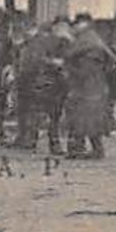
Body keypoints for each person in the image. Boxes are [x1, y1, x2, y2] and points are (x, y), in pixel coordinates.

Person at [63, 13, 116, 159]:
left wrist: (69, 70)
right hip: (93, 86)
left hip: (88, 86)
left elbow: (85, 68)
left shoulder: (87, 44)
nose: (73, 28)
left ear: (82, 25)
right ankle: (86, 148)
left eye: (76, 25)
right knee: (88, 119)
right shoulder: (92, 40)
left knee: (84, 118)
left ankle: (85, 149)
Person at [15, 18, 71, 154]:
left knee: (46, 114)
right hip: (50, 82)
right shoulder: (53, 41)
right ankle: (50, 142)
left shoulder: (39, 42)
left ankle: (35, 140)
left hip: (45, 82)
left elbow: (34, 62)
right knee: (51, 115)